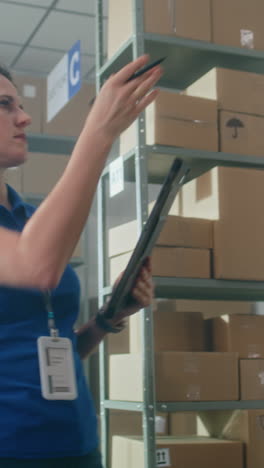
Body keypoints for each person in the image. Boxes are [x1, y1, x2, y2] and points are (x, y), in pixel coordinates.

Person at [0, 55, 163, 467]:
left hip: (77, 443)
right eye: (5, 105)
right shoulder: (34, 242)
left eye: (20, 105)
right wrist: (99, 132)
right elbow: (35, 265)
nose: (24, 119)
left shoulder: (33, 220)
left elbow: (51, 344)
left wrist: (107, 320)